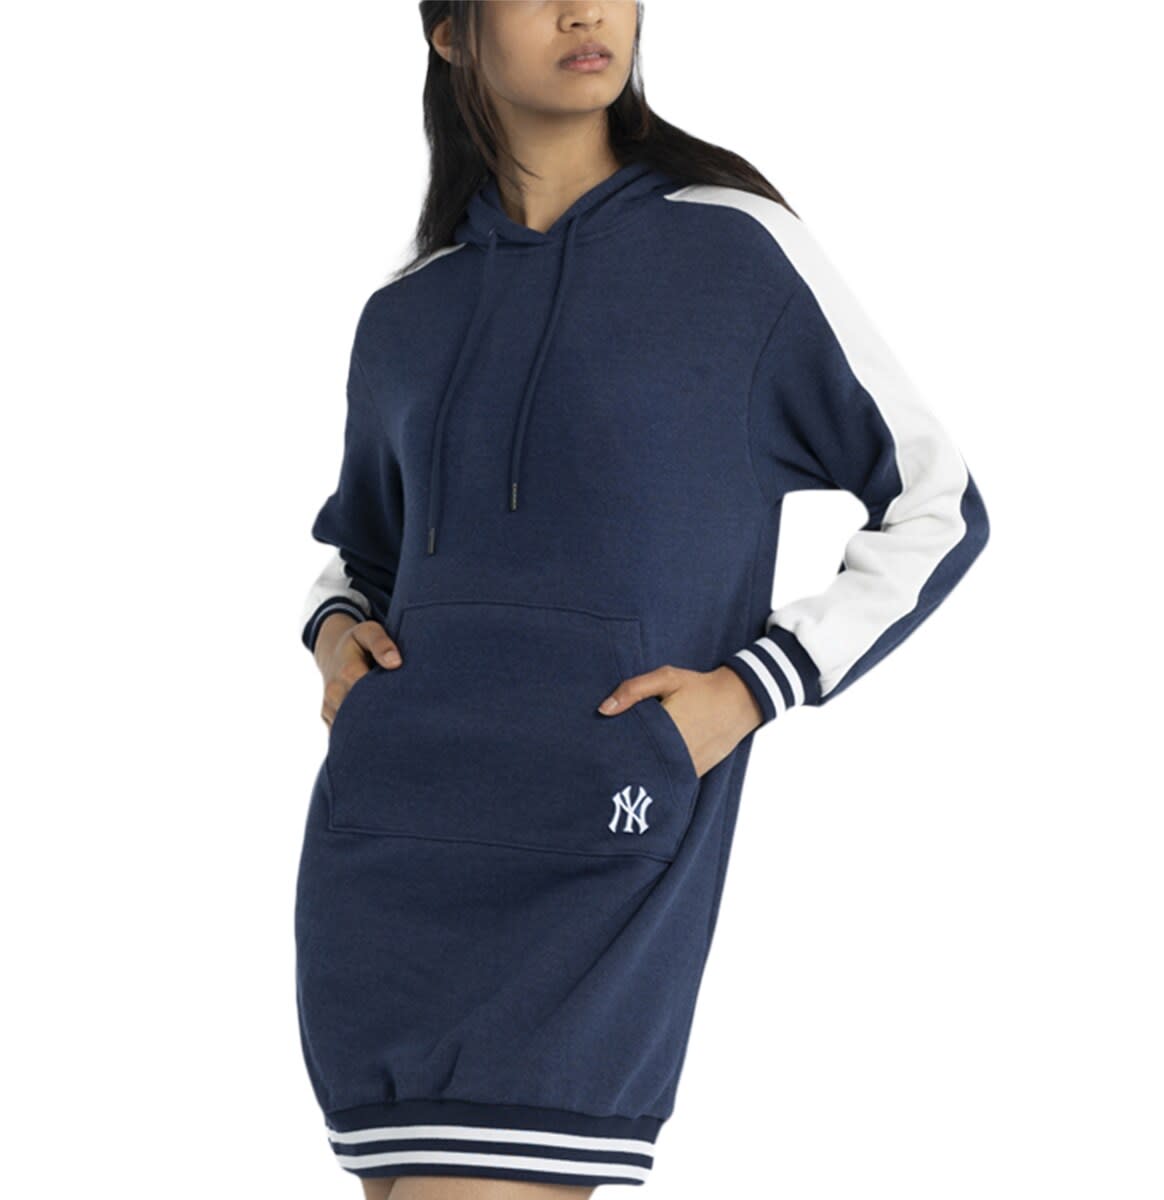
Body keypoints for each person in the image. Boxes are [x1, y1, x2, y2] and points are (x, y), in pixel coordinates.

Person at [293, 3, 991, 1197]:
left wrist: (753, 688)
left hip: (600, 841)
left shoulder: (733, 251)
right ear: (450, 33)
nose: (586, 11)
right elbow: (363, 552)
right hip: (392, 849)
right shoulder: (409, 311)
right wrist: (336, 636)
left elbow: (938, 504)